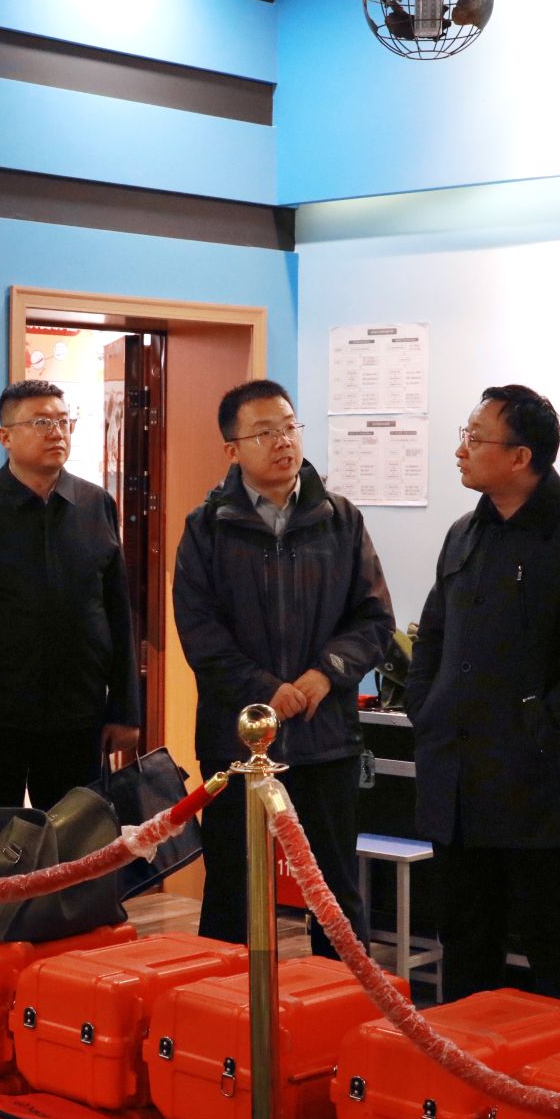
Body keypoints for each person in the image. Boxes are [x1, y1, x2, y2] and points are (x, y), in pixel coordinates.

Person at [403, 385, 560, 1004]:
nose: (461, 450)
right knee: (465, 948)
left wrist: (541, 729)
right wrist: (425, 707)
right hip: (458, 784)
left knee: (557, 954)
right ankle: (466, 1062)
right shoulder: (464, 533)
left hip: (538, 790)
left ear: (521, 457)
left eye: (475, 439)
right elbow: (433, 634)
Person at [174, 379, 395, 955]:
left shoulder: (340, 519)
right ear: (232, 449)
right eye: (264, 432)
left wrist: (325, 674)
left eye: (290, 427)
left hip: (326, 738)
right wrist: (267, 690)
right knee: (232, 890)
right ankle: (222, 1000)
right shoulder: (206, 528)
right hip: (236, 742)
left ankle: (346, 997)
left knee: (333, 891)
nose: (283, 442)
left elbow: (374, 620)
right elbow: (200, 635)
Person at [0, 380, 141, 861]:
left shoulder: (94, 503)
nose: (56, 432)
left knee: (76, 847)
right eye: (41, 422)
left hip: (77, 712)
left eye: (64, 421)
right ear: (5, 437)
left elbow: (117, 611)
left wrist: (125, 708)